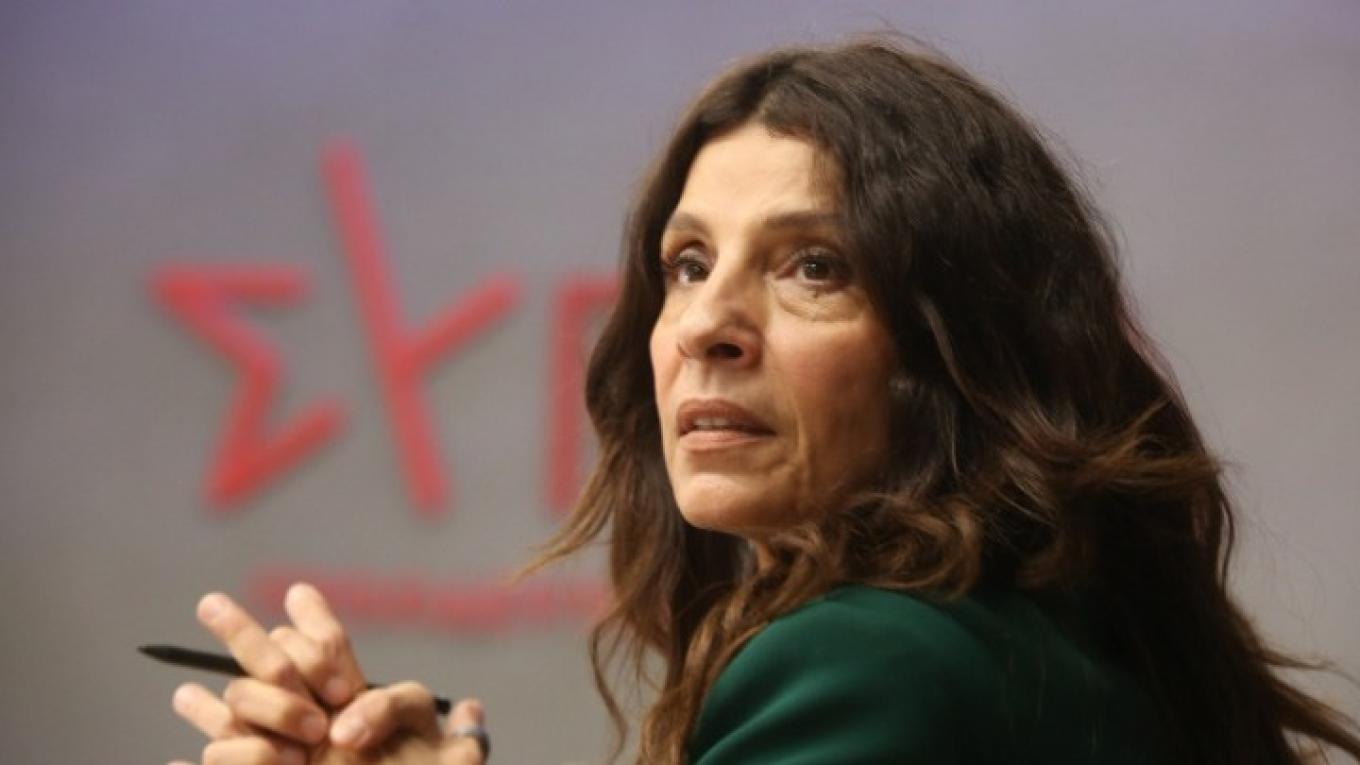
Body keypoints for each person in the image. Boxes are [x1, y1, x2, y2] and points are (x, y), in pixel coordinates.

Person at [168, 38, 1360, 764]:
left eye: (813, 268)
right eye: (687, 265)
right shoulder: (1066, 641)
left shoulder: (866, 659)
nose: (705, 325)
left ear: (959, 342)